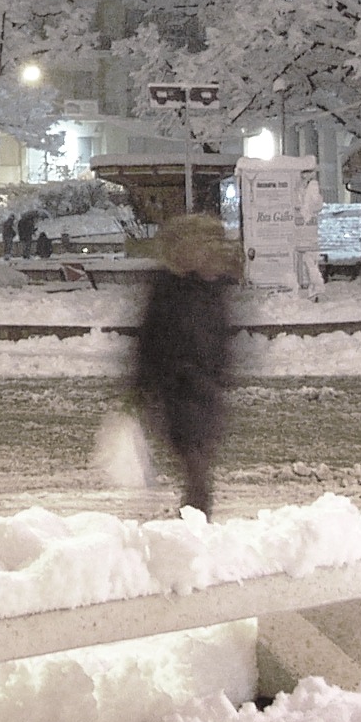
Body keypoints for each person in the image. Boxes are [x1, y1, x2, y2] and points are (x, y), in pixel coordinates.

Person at [132, 213, 240, 518]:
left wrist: (219, 375)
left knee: (198, 463)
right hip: (179, 391)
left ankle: (193, 522)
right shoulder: (171, 289)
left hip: (204, 390)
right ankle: (194, 523)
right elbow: (150, 340)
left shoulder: (211, 287)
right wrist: (145, 386)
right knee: (195, 463)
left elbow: (221, 336)